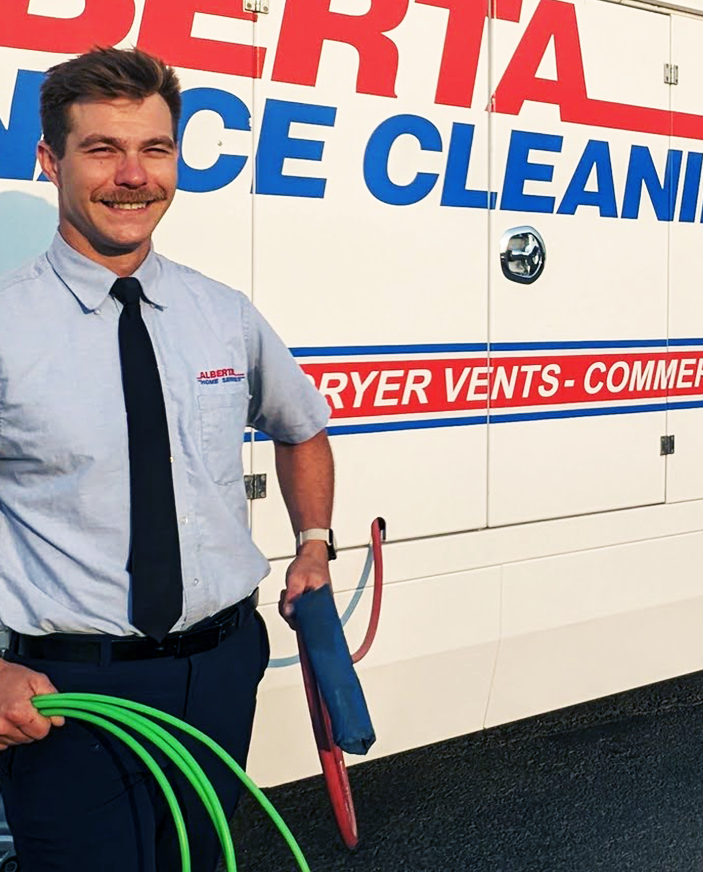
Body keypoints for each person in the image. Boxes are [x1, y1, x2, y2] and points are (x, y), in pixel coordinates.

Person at [0, 46, 335, 871]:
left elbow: (302, 428)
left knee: (203, 859)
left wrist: (315, 545)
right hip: (66, 694)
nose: (133, 176)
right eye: (102, 149)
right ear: (51, 160)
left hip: (220, 670)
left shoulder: (222, 313)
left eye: (154, 149)